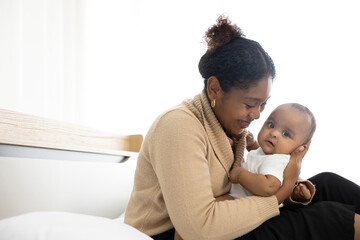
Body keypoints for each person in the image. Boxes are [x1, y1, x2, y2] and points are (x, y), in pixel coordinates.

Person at [125, 15, 360, 240]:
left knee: (328, 184)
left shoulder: (230, 128)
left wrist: (293, 190)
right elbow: (199, 229)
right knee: (329, 219)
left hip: (225, 216)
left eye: (263, 105)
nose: (257, 115)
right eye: (250, 104)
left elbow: (255, 177)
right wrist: (281, 192)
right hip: (176, 234)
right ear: (215, 89)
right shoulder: (178, 126)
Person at [229, 103, 316, 199]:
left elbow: (269, 187)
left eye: (286, 134)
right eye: (271, 125)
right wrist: (252, 145)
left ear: (300, 148)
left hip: (243, 202)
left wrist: (239, 175)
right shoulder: (272, 154)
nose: (274, 133)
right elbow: (260, 160)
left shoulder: (277, 161)